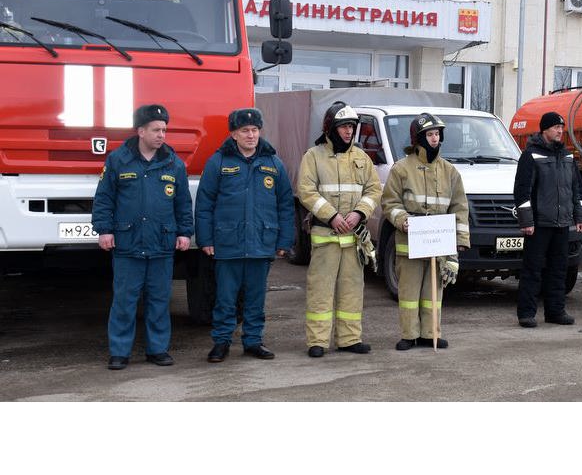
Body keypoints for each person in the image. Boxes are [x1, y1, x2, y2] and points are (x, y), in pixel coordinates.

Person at [92, 104, 192, 370]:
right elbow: (104, 198)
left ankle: (157, 349)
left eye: (164, 130)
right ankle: (119, 352)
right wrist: (104, 229)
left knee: (159, 300)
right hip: (127, 243)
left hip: (162, 243)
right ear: (141, 131)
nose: (162, 135)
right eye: (156, 130)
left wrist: (184, 232)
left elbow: (183, 202)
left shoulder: (174, 163)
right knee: (125, 301)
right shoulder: (118, 160)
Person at [195, 108, 295, 362]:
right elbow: (205, 203)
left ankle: (253, 341)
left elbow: (285, 204)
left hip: (261, 242)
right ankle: (221, 342)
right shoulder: (218, 162)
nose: (251, 135)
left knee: (255, 298)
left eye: (255, 130)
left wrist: (284, 241)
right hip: (227, 243)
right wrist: (205, 239)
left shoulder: (274, 163)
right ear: (234, 134)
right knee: (225, 299)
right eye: (245, 131)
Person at [297, 102, 382, 357]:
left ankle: (349, 339)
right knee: (320, 291)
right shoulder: (313, 156)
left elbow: (374, 189)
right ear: (330, 128)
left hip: (353, 239)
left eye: (352, 127)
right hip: (326, 236)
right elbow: (306, 191)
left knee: (352, 291)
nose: (348, 132)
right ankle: (318, 341)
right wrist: (331, 216)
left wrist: (359, 213)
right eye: (344, 126)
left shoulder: (361, 158)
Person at [381, 114, 470, 350]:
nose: (434, 138)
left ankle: (431, 333)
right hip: (409, 242)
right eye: (430, 135)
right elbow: (390, 203)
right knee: (409, 292)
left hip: (438, 243)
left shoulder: (450, 171)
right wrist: (403, 220)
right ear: (419, 138)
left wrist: (460, 242)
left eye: (437, 134)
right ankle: (409, 335)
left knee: (433, 291)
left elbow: (460, 207)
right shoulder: (401, 169)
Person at [513, 112, 582, 327]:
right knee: (532, 270)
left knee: (558, 270)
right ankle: (526, 313)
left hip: (562, 223)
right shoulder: (531, 155)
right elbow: (522, 191)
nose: (559, 131)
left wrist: (580, 217)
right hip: (539, 225)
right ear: (544, 129)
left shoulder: (567, 156)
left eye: (561, 128)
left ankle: (556, 311)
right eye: (555, 127)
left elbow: (577, 190)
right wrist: (527, 222)